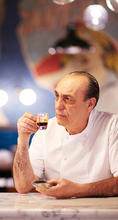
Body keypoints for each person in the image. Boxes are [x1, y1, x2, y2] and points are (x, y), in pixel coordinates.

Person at [13, 70, 118, 199]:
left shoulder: (113, 126)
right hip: (53, 214)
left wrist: (77, 190)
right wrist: (23, 140)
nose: (58, 106)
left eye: (68, 99)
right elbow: (23, 186)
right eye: (57, 96)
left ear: (90, 104)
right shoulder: (45, 131)